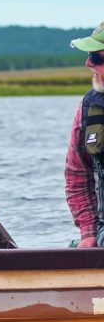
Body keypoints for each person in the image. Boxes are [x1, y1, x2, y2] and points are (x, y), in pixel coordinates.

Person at [65, 21, 104, 248]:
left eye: (98, 58)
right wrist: (88, 233)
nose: (88, 63)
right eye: (90, 56)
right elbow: (77, 175)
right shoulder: (88, 106)